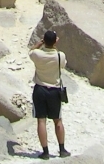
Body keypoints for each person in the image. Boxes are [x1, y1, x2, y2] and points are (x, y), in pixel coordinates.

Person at [29, 29, 71, 159]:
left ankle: (45, 152)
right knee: (58, 121)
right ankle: (62, 150)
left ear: (44, 40)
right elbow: (63, 65)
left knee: (41, 121)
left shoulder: (37, 54)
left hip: (40, 89)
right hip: (54, 91)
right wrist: (54, 45)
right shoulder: (60, 56)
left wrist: (40, 43)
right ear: (55, 41)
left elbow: (31, 51)